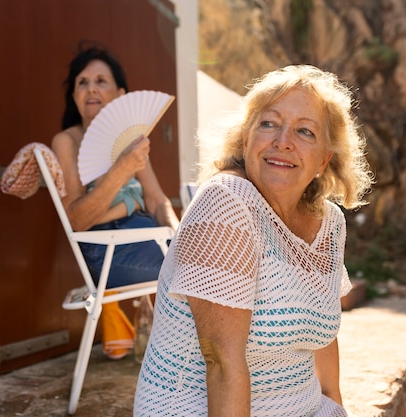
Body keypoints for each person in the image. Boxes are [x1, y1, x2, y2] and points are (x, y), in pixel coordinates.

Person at [134, 65, 372, 416]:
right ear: (246, 140)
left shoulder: (330, 223)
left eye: (304, 131)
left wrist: (334, 405)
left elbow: (321, 330)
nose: (283, 141)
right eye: (268, 124)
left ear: (324, 160)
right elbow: (221, 360)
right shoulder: (226, 203)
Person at [51, 45, 179, 359]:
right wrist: (122, 167)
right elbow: (78, 220)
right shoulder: (67, 141)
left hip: (146, 235)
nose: (91, 87)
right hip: (104, 251)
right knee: (194, 271)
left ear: (120, 94)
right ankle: (190, 362)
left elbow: (156, 198)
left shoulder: (130, 138)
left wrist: (180, 235)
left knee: (202, 255)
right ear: (75, 96)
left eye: (101, 81)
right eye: (82, 82)